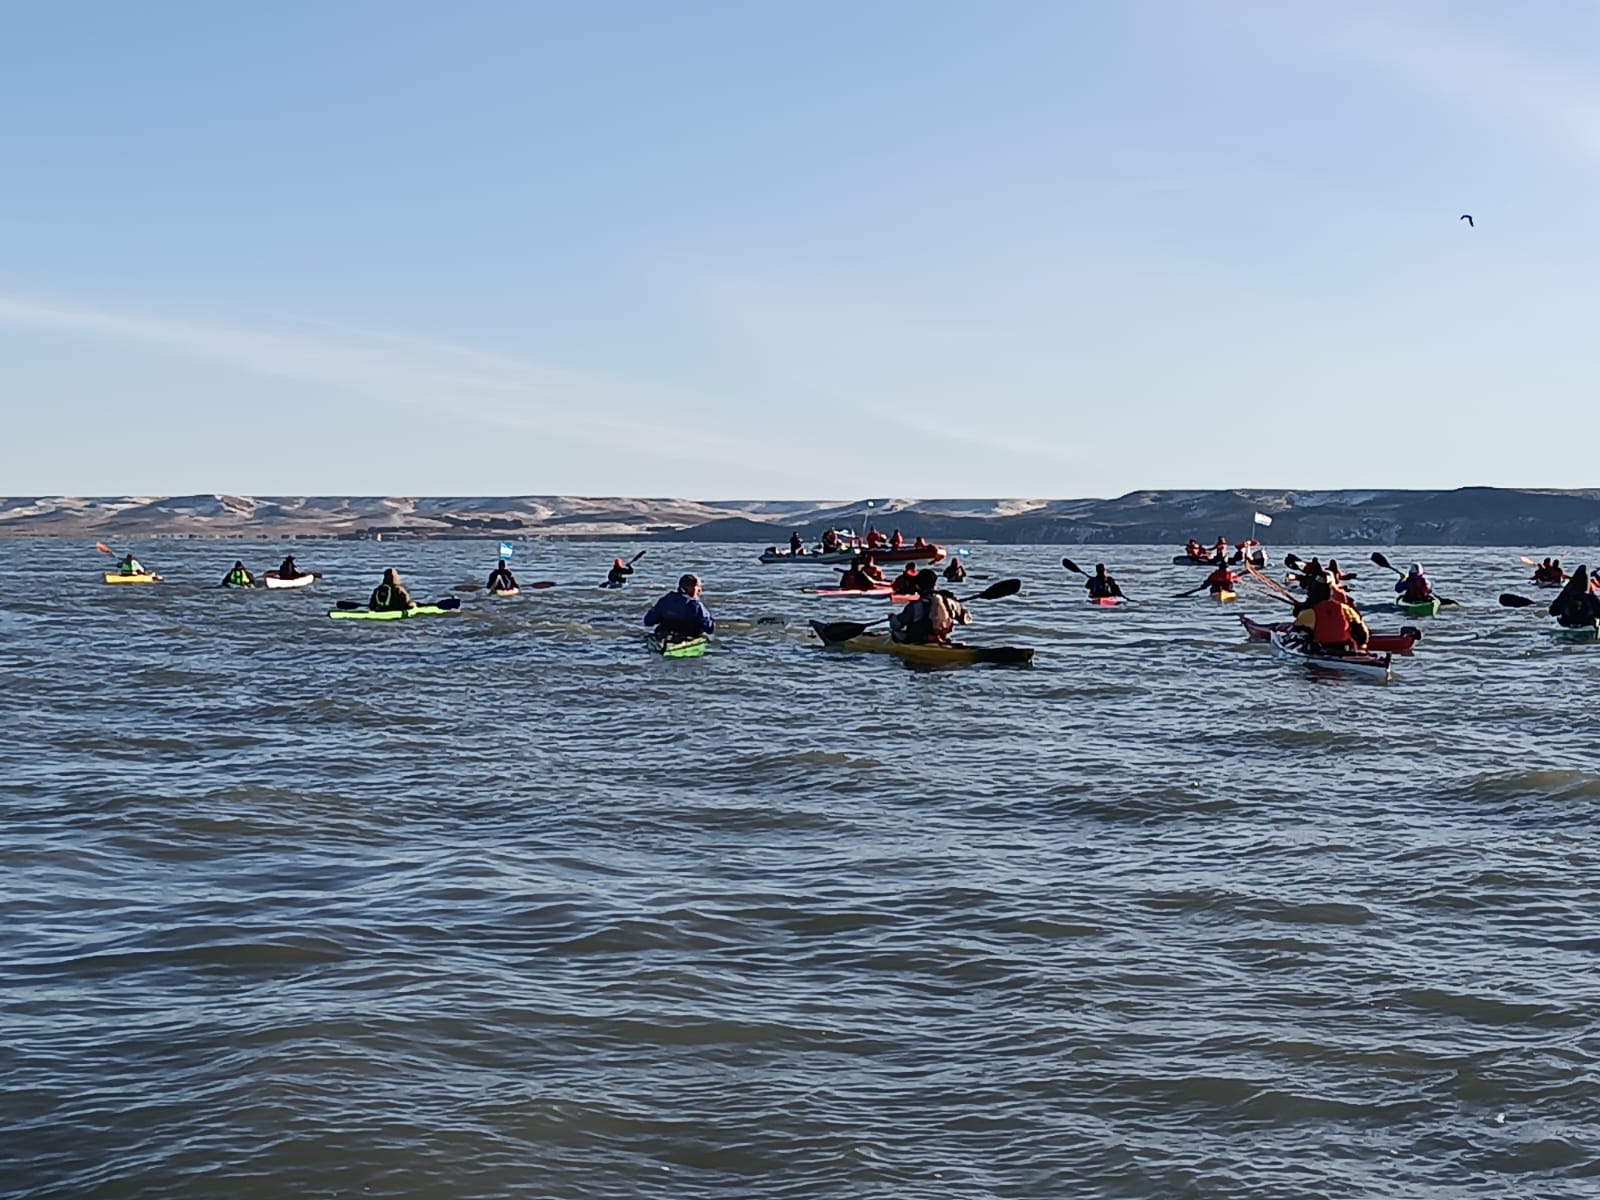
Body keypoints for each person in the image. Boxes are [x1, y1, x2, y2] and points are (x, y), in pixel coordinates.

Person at [889, 569, 971, 645]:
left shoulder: (916, 605)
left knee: (895, 634)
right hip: (943, 639)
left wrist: (892, 618)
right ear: (935, 585)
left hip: (920, 642)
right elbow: (967, 620)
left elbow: (896, 625)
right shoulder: (949, 602)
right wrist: (957, 604)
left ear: (918, 586)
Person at [1294, 577, 1369, 653]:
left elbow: (1296, 632)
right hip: (1344, 648)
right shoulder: (1345, 609)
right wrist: (1361, 645)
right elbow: (1362, 634)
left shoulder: (1309, 613)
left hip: (1320, 650)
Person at [644, 574, 715, 641]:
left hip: (664, 636)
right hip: (686, 638)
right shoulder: (696, 605)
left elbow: (648, 621)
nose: (700, 590)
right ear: (689, 588)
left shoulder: (665, 600)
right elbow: (709, 628)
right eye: (698, 587)